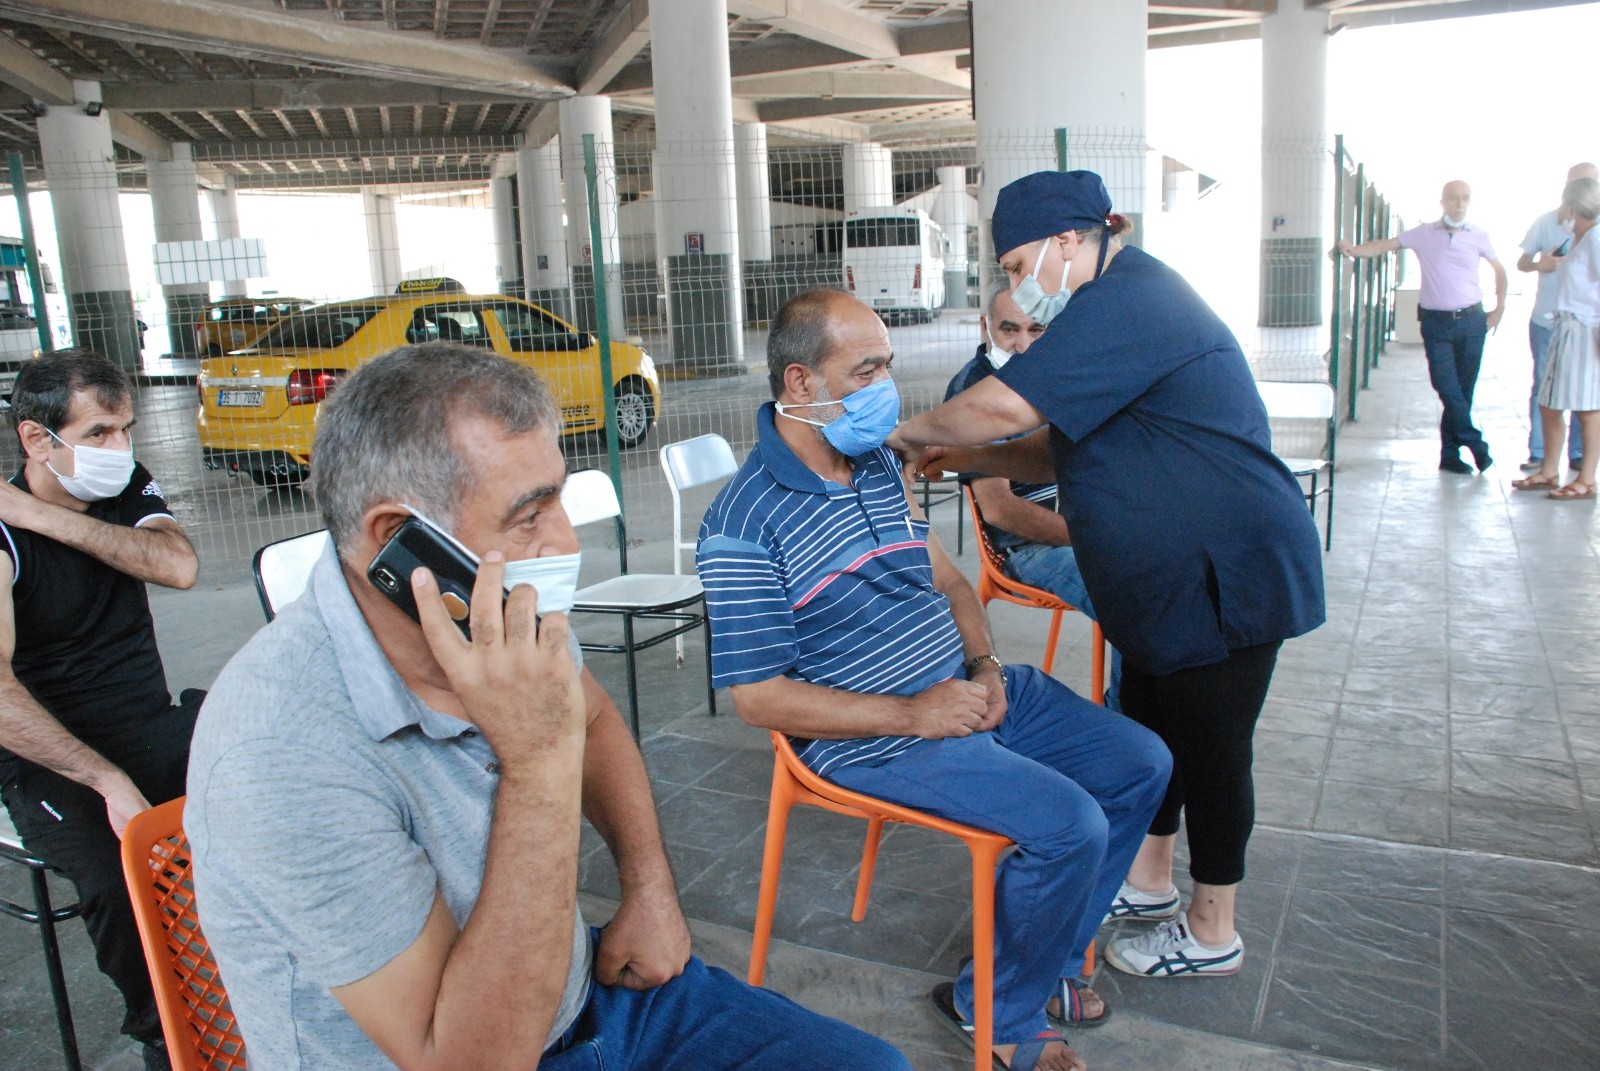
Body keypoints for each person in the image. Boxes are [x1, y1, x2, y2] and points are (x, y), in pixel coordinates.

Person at [185, 342, 910, 1071]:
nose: (564, 539)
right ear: (395, 543)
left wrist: (649, 888)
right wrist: (535, 759)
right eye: (528, 515)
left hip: (581, 995)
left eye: (556, 496)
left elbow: (590, 716)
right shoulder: (279, 751)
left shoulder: (494, 614)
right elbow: (474, 1061)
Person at [697, 288, 1171, 1071]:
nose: (888, 386)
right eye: (868, 368)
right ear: (800, 384)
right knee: (1070, 825)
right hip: (877, 739)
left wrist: (983, 666)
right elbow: (760, 699)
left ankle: (1034, 964)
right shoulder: (742, 526)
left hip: (961, 687)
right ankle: (999, 1010)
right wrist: (914, 713)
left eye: (887, 363)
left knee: (1141, 763)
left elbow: (950, 581)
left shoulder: (879, 460)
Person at [887, 170, 1325, 983]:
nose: (1020, 285)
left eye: (1020, 265)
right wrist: (961, 456)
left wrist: (898, 433)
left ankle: (1211, 926)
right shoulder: (1111, 304)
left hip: (1226, 567)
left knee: (1214, 749)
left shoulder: (1131, 299)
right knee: (1153, 734)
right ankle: (1149, 880)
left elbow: (1003, 408)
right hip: (1170, 577)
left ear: (1068, 240)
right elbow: (1062, 444)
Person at [0, 350, 201, 1071]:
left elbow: (178, 566)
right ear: (35, 440)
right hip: (49, 753)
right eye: (99, 434)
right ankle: (169, 1038)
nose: (121, 450)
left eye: (126, 430)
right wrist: (104, 778)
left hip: (146, 717)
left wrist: (42, 516)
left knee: (275, 796)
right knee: (124, 875)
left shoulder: (123, 486)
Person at [943, 283, 1121, 711]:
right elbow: (1001, 509)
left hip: (1072, 525)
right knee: (1127, 592)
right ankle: (1132, 715)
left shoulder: (1051, 378)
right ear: (987, 328)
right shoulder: (975, 392)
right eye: (1010, 331)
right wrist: (1087, 536)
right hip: (1027, 548)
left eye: (1036, 330)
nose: (1023, 345)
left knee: (1162, 571)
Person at [1337, 179, 1508, 474]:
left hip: (1471, 322)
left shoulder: (1479, 235)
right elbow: (1385, 245)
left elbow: (1500, 271)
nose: (1459, 204)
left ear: (1470, 201)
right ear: (1442, 201)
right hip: (1436, 324)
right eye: (1453, 198)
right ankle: (1477, 444)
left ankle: (1450, 455)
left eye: (1464, 198)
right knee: (1447, 387)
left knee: (1462, 392)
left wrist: (1499, 310)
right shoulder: (1425, 234)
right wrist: (1353, 250)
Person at [1512, 176, 1600, 500]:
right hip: (1563, 328)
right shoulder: (1574, 237)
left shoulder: (1595, 238)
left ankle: (1586, 479)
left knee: (1588, 408)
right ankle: (1549, 469)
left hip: (1586, 330)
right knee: (1549, 403)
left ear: (1574, 205)